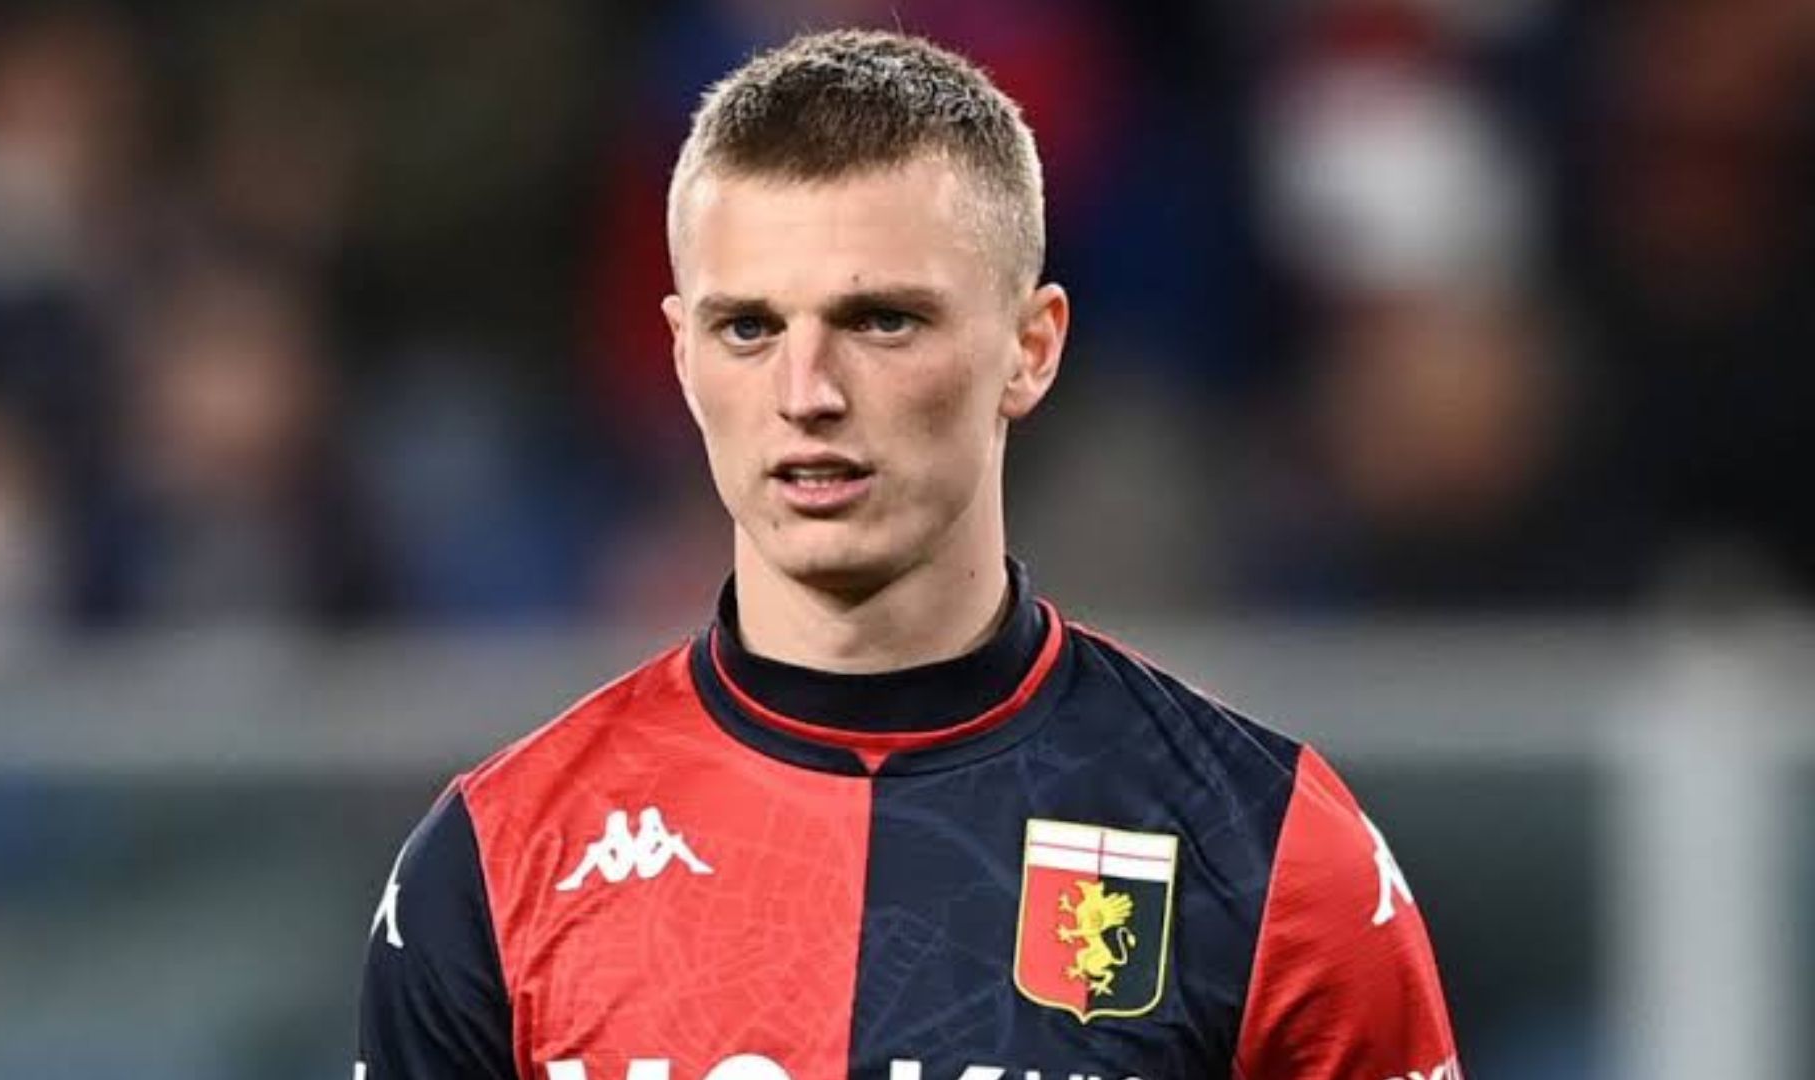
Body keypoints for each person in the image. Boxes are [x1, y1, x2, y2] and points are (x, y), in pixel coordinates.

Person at [355, 29, 1459, 1080]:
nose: (807, 393)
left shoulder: (1266, 850)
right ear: (682, 355)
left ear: (1030, 348)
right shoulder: (497, 862)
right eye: (750, 328)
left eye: (881, 321)